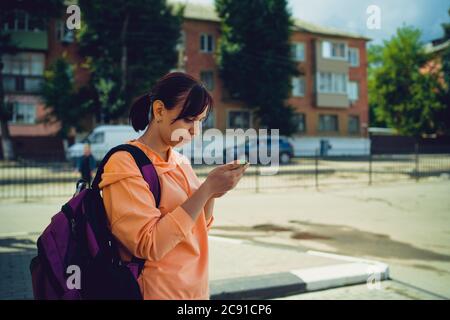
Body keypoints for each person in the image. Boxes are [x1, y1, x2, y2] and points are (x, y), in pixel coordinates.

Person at [98, 72, 249, 300]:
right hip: (156, 292)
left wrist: (214, 192)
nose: (195, 131)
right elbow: (149, 244)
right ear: (159, 111)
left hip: (195, 293)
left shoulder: (180, 161)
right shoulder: (124, 163)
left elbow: (200, 227)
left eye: (200, 121)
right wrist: (206, 189)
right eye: (189, 120)